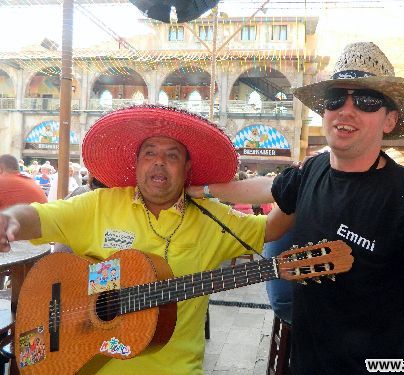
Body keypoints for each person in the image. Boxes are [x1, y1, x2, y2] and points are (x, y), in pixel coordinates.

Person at [187, 42, 404, 374]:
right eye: (336, 98)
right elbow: (271, 187)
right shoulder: (314, 169)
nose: (346, 110)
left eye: (366, 101)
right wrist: (203, 189)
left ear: (389, 119)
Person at [0, 106, 290, 374]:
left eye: (172, 155)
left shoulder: (212, 218)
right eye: (150, 153)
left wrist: (300, 184)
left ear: (187, 168)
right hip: (84, 364)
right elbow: (37, 219)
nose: (159, 163)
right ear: (137, 162)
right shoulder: (100, 203)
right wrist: (10, 219)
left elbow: (271, 229)